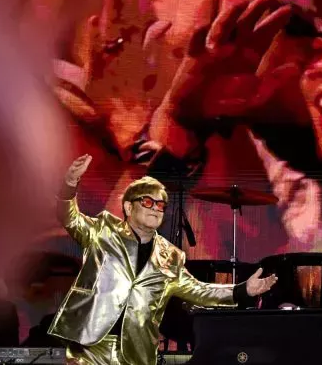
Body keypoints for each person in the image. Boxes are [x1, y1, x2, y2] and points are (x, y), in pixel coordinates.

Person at [49, 154, 278, 365]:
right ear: (128, 207)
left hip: (135, 352)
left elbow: (199, 291)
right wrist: (69, 184)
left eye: (160, 205)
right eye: (148, 202)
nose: (156, 209)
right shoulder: (104, 231)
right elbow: (69, 217)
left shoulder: (171, 257)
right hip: (90, 346)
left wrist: (242, 290)